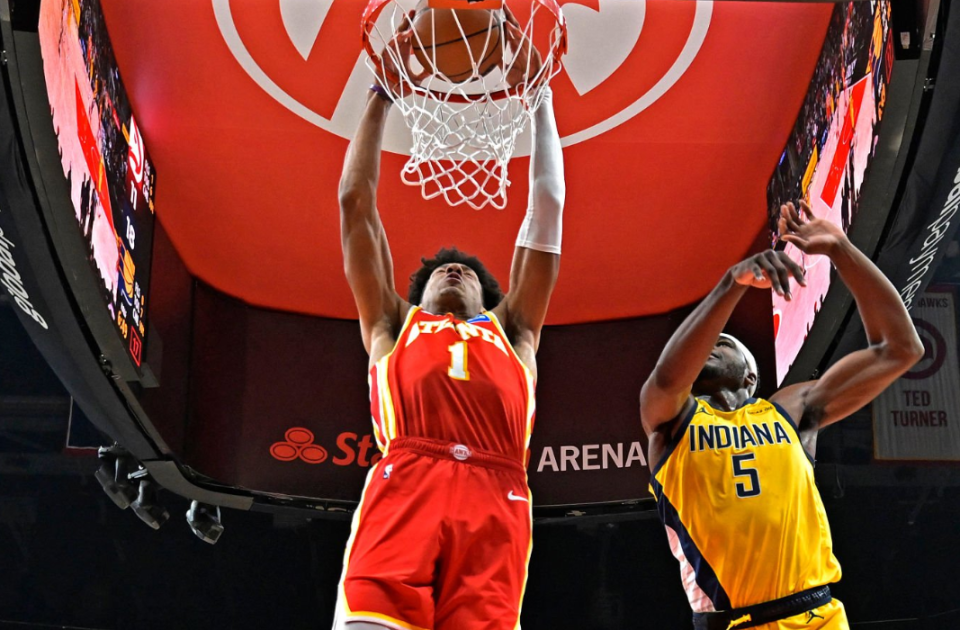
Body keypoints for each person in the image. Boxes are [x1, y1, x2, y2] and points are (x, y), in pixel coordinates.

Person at [333, 33, 564, 630]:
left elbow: (548, 205)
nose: (453, 270)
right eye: (440, 271)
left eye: (465, 272)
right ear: (419, 295)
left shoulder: (514, 332)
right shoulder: (393, 324)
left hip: (498, 491)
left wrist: (540, 98)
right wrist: (382, 95)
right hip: (409, 478)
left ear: (490, 298)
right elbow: (354, 202)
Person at [640, 201, 923, 630]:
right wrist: (731, 284)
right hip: (733, 623)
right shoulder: (671, 424)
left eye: (724, 342)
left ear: (750, 375)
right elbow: (667, 378)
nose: (712, 343)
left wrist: (842, 249)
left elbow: (899, 349)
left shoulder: (790, 410)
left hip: (817, 616)